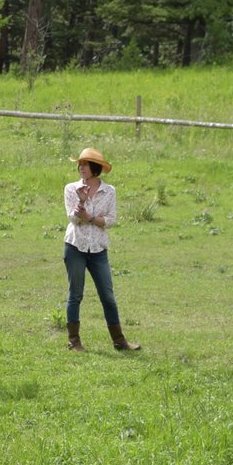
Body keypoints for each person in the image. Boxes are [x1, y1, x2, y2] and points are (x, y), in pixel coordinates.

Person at [63, 147, 139, 353]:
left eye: (85, 164)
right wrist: (81, 201)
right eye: (80, 164)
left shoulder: (109, 191)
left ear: (95, 168)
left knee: (107, 296)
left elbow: (111, 220)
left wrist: (91, 219)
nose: (81, 167)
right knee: (75, 294)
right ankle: (74, 341)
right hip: (75, 246)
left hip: (98, 250)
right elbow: (72, 218)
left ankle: (119, 341)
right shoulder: (71, 188)